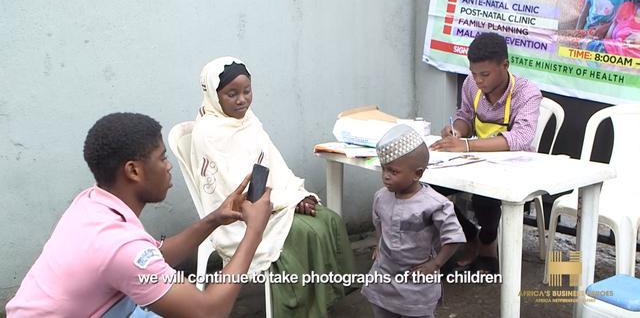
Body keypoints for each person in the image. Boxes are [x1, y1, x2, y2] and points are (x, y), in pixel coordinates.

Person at [5, 113, 272, 317]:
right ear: (133, 171)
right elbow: (207, 312)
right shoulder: (118, 246)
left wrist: (214, 219)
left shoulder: (92, 203)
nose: (169, 167)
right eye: (162, 158)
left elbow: (153, 258)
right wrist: (254, 232)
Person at [191, 56, 355, 317]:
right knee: (309, 232)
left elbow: (274, 165)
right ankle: (301, 310)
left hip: (274, 200)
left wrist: (295, 196)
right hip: (240, 215)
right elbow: (234, 187)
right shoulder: (208, 133)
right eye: (231, 94)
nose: (242, 100)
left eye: (247, 91)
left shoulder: (249, 121)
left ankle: (327, 298)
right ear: (213, 95)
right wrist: (286, 203)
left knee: (330, 219)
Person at [430, 32, 542, 273]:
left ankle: (488, 243)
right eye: (474, 73)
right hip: (477, 160)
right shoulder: (472, 85)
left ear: (505, 65)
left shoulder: (527, 93)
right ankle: (469, 235)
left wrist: (468, 146)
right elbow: (465, 117)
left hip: (514, 166)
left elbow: (521, 138)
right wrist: (457, 132)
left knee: (486, 196)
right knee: (427, 187)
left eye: (485, 74)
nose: (478, 80)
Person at [361, 125, 465, 318]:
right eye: (384, 169)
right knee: (381, 309)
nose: (386, 176)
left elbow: (454, 237)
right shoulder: (381, 197)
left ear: (417, 174)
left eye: (393, 171)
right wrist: (379, 244)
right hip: (384, 276)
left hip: (416, 282)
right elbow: (379, 222)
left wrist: (435, 264)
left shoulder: (435, 204)